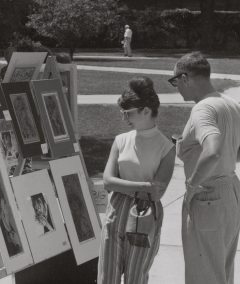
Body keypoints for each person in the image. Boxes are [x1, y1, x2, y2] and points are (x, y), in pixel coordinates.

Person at [169, 51, 240, 284]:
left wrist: (192, 183)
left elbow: (213, 150)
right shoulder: (232, 104)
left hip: (207, 195)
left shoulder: (203, 109)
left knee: (203, 274)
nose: (176, 87)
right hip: (231, 192)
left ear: (185, 77)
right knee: (222, 271)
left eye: (175, 81)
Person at [97, 76, 176, 284]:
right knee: (107, 277)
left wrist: (123, 185)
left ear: (146, 111)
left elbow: (157, 192)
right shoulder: (121, 141)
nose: (124, 119)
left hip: (145, 215)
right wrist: (143, 186)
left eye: (128, 113)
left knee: (136, 277)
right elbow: (107, 181)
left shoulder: (166, 148)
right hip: (116, 211)